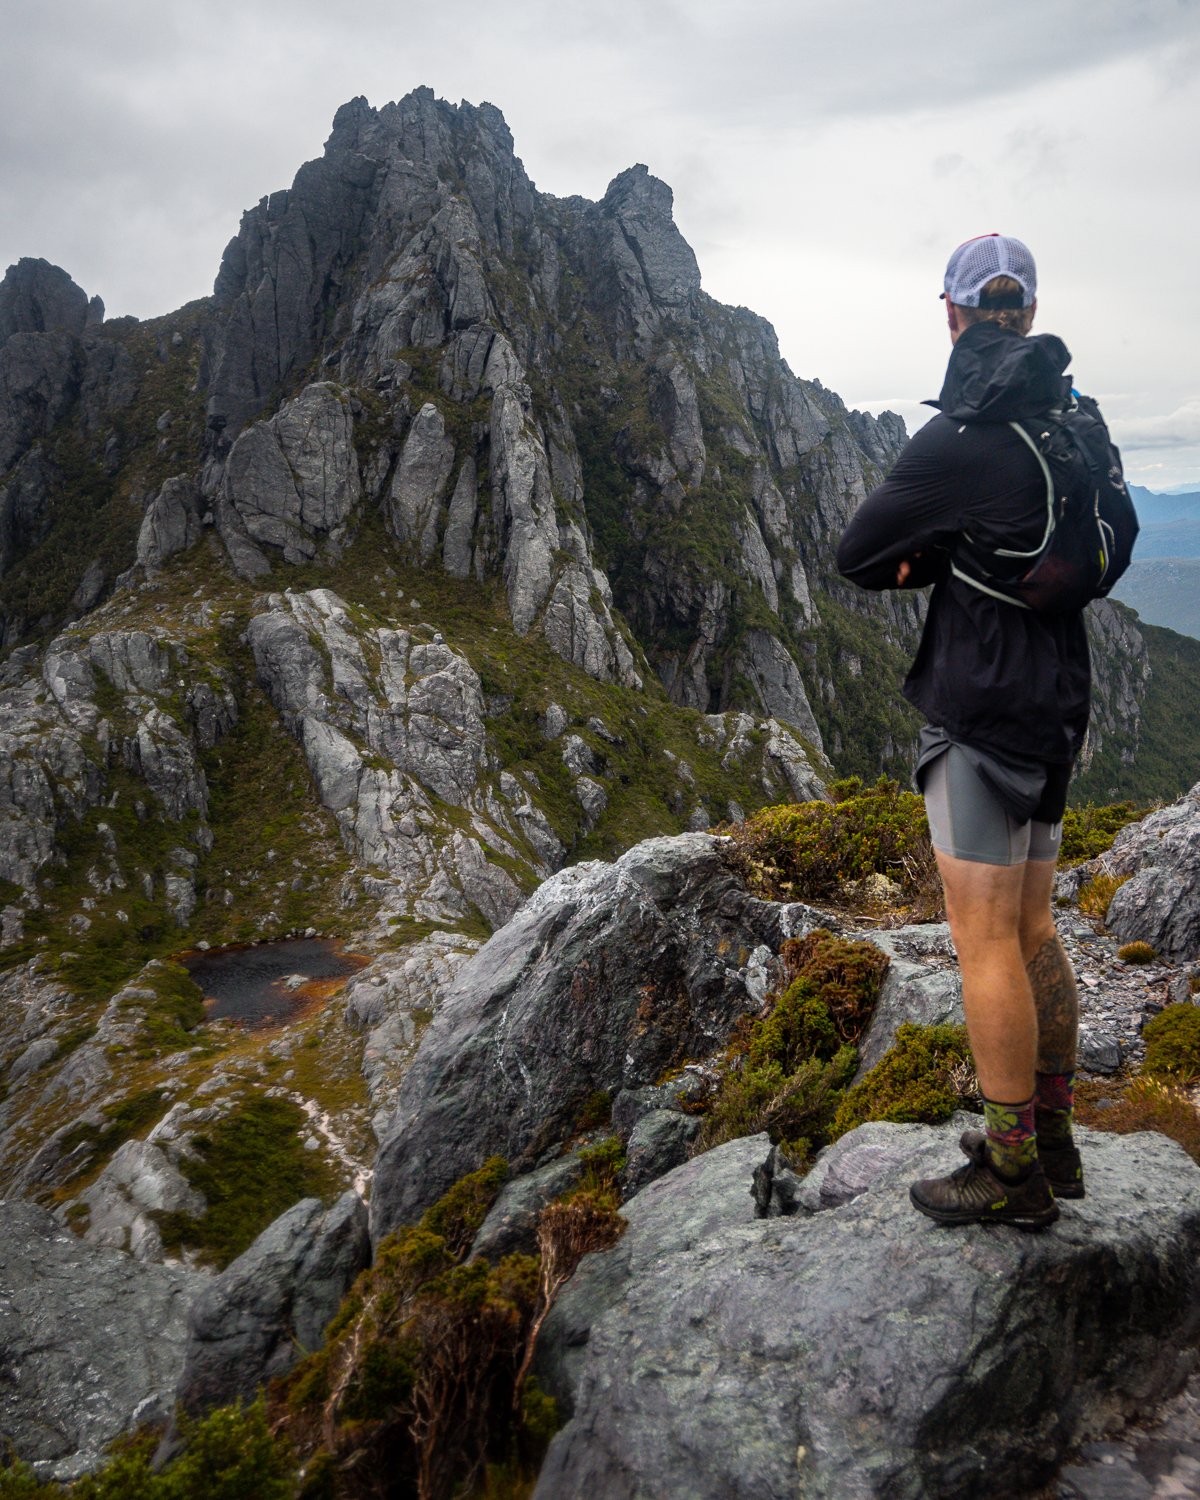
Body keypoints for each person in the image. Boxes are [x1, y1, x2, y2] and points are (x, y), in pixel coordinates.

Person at [836, 233, 1104, 1230]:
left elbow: (858, 552)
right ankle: (1058, 1142)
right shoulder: (1072, 420)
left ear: (951, 314)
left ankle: (1010, 1169)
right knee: (1034, 928)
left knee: (983, 938)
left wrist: (938, 558)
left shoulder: (959, 438)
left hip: (983, 709)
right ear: (1026, 314)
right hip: (1058, 705)